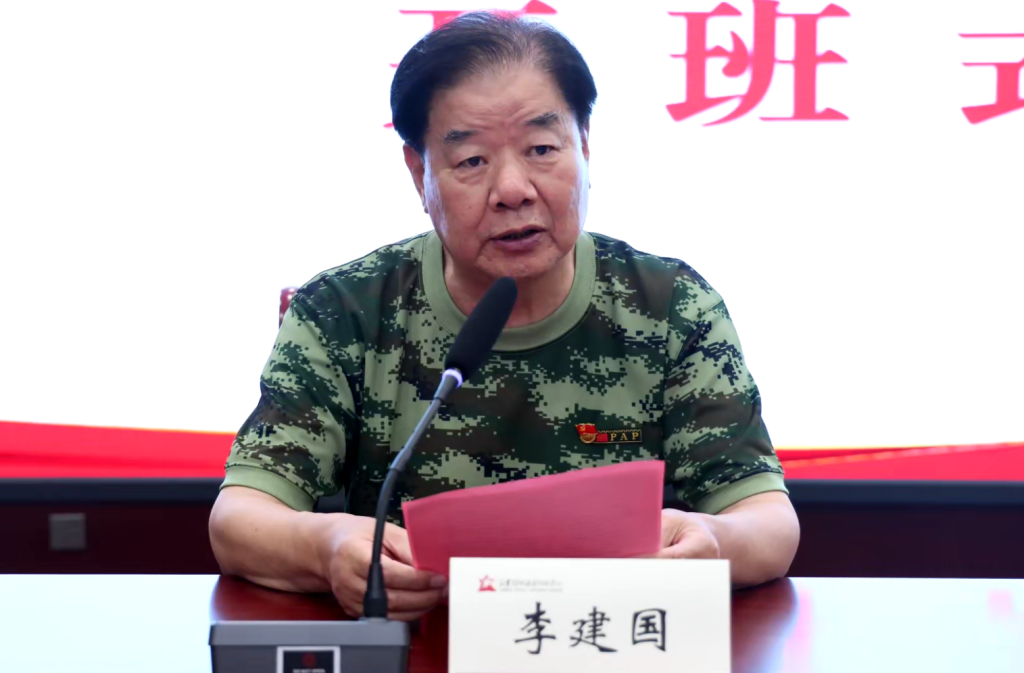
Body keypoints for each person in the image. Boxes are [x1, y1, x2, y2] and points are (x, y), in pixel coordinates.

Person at [209, 11, 800, 622]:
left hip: (609, 644)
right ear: (419, 173)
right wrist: (327, 546)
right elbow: (239, 520)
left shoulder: (671, 305)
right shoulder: (345, 310)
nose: (513, 189)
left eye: (542, 149)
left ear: (585, 146)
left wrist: (713, 546)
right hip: (424, 644)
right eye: (471, 161)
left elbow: (767, 522)